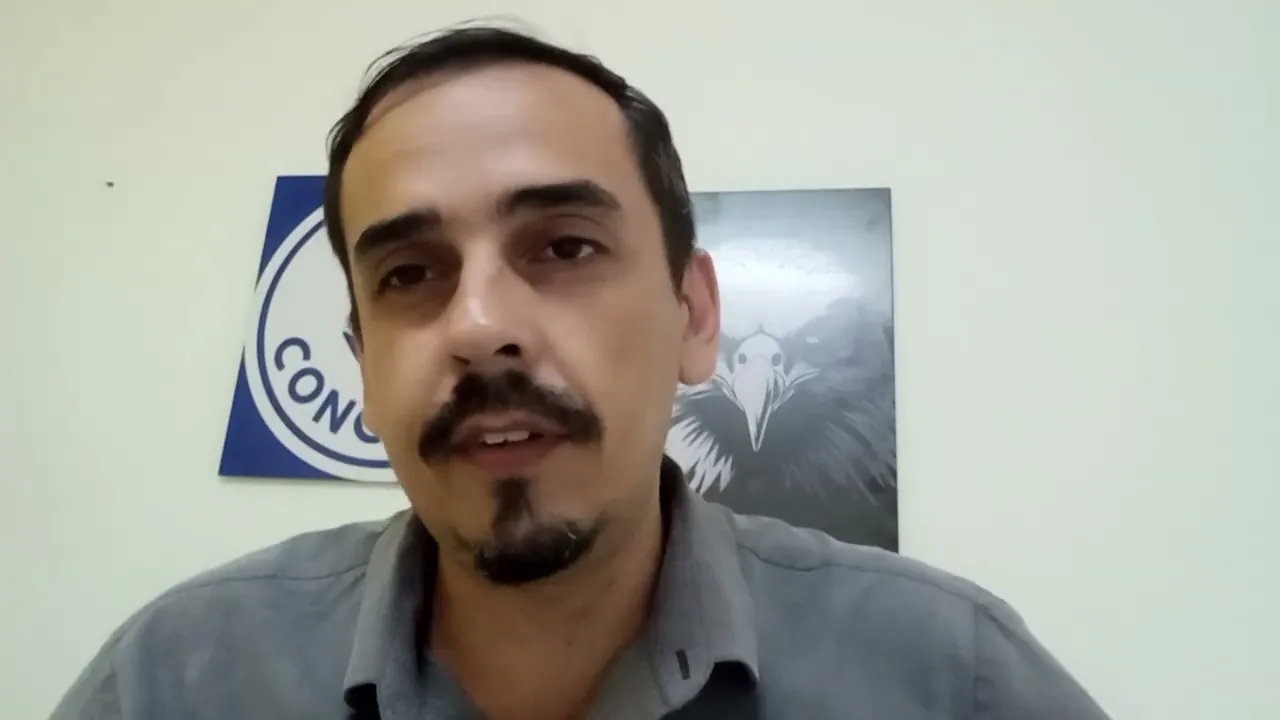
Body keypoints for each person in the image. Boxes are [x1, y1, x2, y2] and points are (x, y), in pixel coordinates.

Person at [52, 25, 1111, 720]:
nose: (478, 327)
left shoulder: (948, 675)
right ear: (364, 367)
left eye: (563, 247)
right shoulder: (173, 679)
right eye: (410, 273)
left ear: (694, 315)